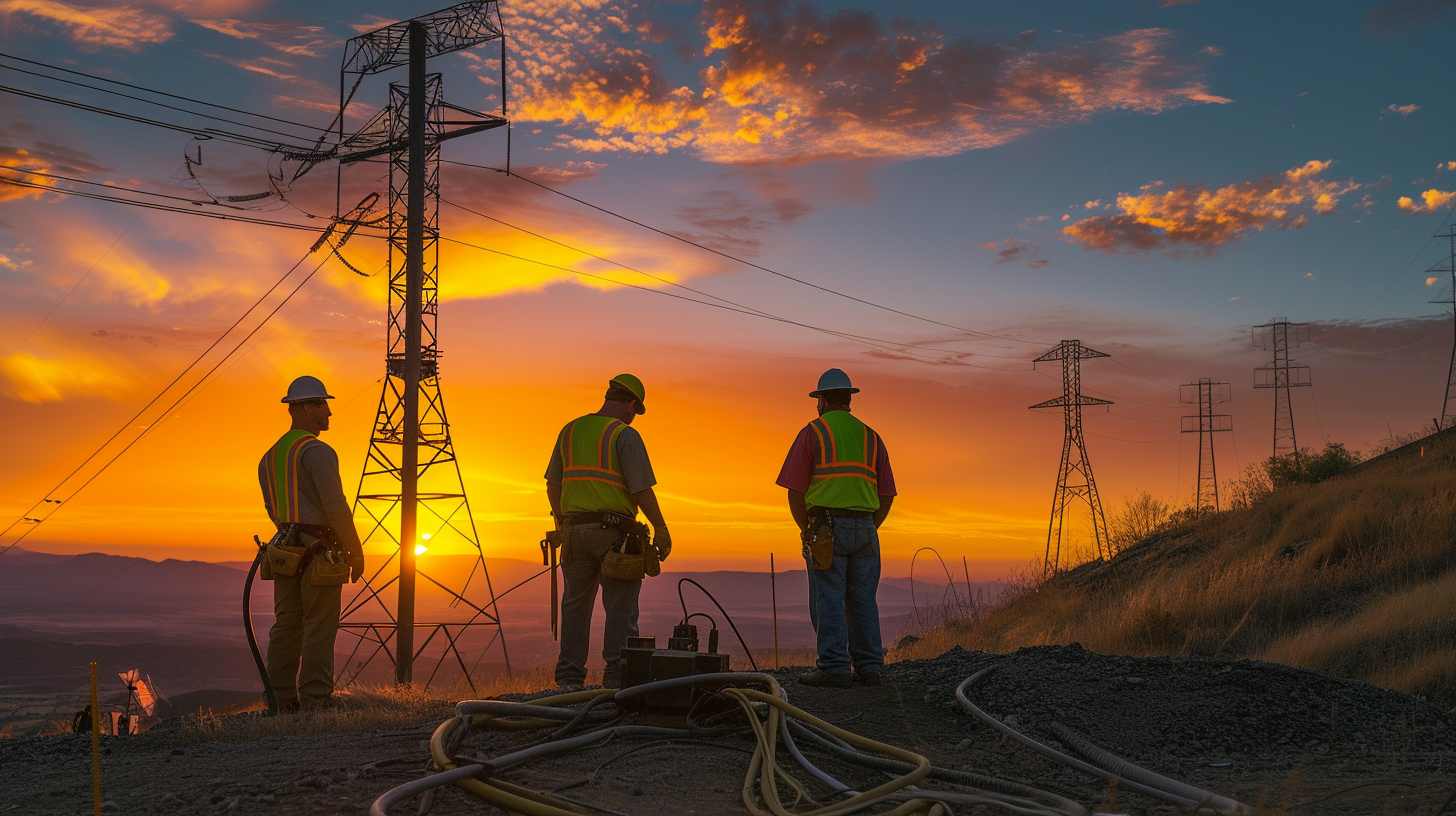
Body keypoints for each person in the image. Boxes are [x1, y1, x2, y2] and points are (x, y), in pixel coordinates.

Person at [544, 374, 671, 689]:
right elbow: (641, 490)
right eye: (635, 410)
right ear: (631, 404)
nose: (633, 416)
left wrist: (563, 524)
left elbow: (552, 484)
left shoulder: (570, 430)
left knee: (575, 603)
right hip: (615, 535)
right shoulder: (624, 435)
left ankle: (569, 680)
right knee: (620, 607)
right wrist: (661, 527)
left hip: (573, 532)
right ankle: (617, 678)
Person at [776, 368, 896, 688]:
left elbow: (794, 490)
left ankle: (834, 667)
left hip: (826, 527)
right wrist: (871, 525)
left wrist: (807, 530)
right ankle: (870, 668)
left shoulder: (813, 432)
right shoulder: (871, 436)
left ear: (823, 400)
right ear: (848, 399)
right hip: (866, 528)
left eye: (817, 400)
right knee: (863, 600)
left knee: (828, 597)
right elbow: (886, 494)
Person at [258, 375, 365, 712]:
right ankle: (316, 700)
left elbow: (271, 507)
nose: (329, 413)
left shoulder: (271, 456)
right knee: (319, 625)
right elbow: (335, 506)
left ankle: (280, 699)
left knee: (287, 625)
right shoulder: (317, 452)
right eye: (323, 405)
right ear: (305, 408)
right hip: (319, 552)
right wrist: (355, 551)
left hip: (284, 551)